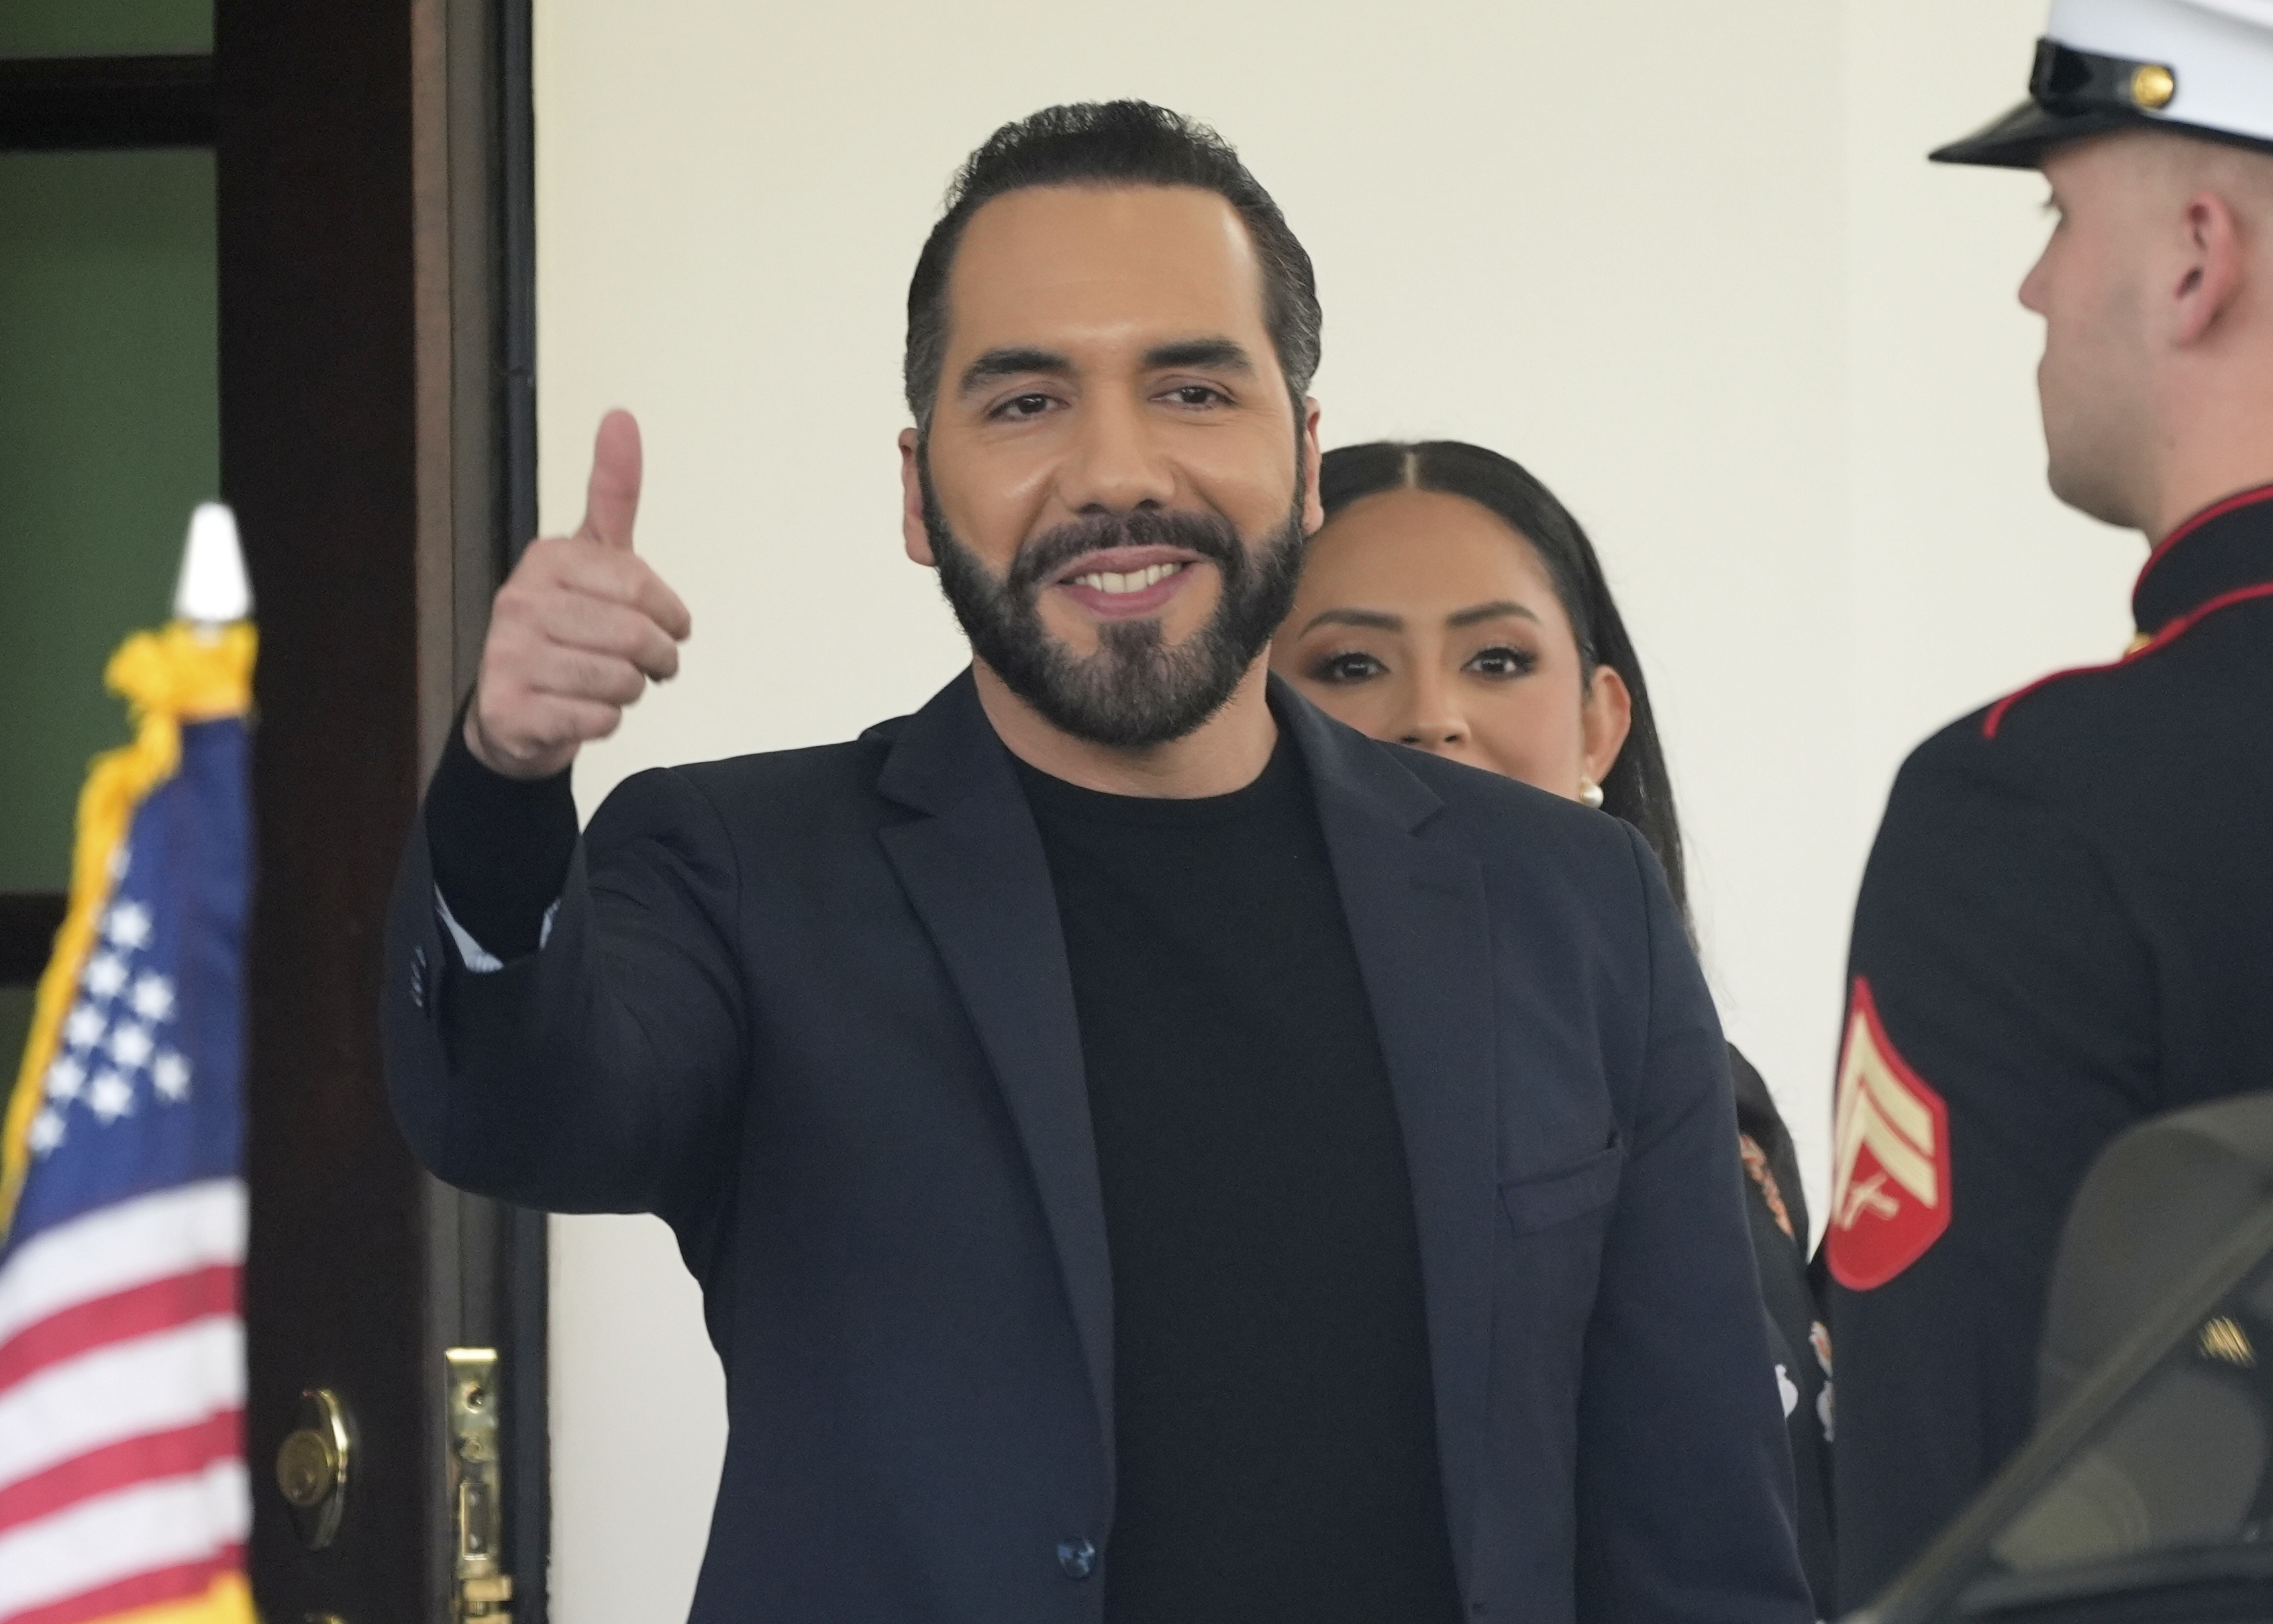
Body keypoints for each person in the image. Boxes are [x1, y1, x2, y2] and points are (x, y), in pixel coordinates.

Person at [382, 102, 1814, 1623]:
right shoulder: (743, 870)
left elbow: (1695, 1539)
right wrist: (505, 776)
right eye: (1022, 406)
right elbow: (510, 1108)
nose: (1114, 472)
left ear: (1304, 456)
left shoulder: (1570, 905)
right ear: (919, 491)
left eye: (1191, 387)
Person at [1827, 0, 2273, 1603]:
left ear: (2191, 258)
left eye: (2055, 214)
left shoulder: (2025, 812)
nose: (2028, 286)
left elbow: (1951, 1529)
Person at [1270, 439, 1835, 1612]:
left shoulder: (1722, 1108)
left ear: (1599, 722)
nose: (1433, 718)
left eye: (1496, 659)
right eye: (1351, 663)